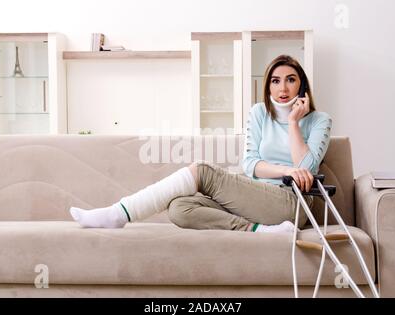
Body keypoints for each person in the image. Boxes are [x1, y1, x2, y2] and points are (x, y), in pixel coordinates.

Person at [70, 54, 332, 233]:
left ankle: (118, 214)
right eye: (275, 80)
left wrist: (295, 123)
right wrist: (286, 170)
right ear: (268, 86)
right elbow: (251, 164)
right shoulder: (259, 113)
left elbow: (306, 170)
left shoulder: (319, 120)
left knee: (203, 171)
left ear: (301, 86)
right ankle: (261, 231)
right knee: (180, 208)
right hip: (256, 198)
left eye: (290, 79)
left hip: (291, 203)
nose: (282, 87)